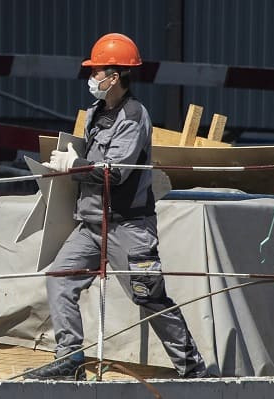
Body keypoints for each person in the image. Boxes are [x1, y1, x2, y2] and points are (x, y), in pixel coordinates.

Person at [27, 33, 208, 380]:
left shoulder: (135, 116)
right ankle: (69, 357)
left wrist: (73, 167)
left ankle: (192, 369)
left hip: (129, 228)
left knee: (149, 297)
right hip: (92, 226)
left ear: (117, 75)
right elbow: (93, 159)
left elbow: (117, 172)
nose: (92, 78)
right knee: (59, 279)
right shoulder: (96, 113)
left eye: (97, 72)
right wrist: (72, 160)